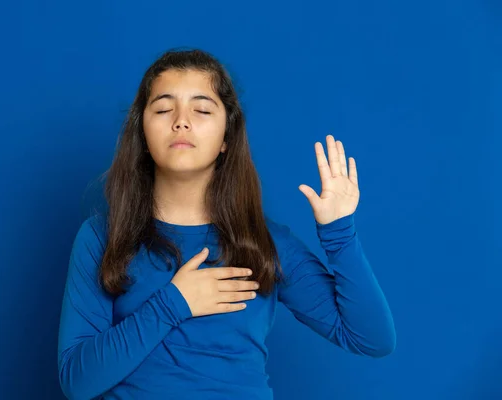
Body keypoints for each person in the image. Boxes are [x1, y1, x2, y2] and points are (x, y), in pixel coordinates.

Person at [57, 48, 396, 400]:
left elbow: (371, 338)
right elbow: (77, 382)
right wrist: (174, 302)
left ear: (226, 139)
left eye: (201, 109)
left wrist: (339, 233)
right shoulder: (102, 238)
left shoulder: (266, 243)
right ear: (142, 134)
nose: (181, 120)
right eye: (162, 108)